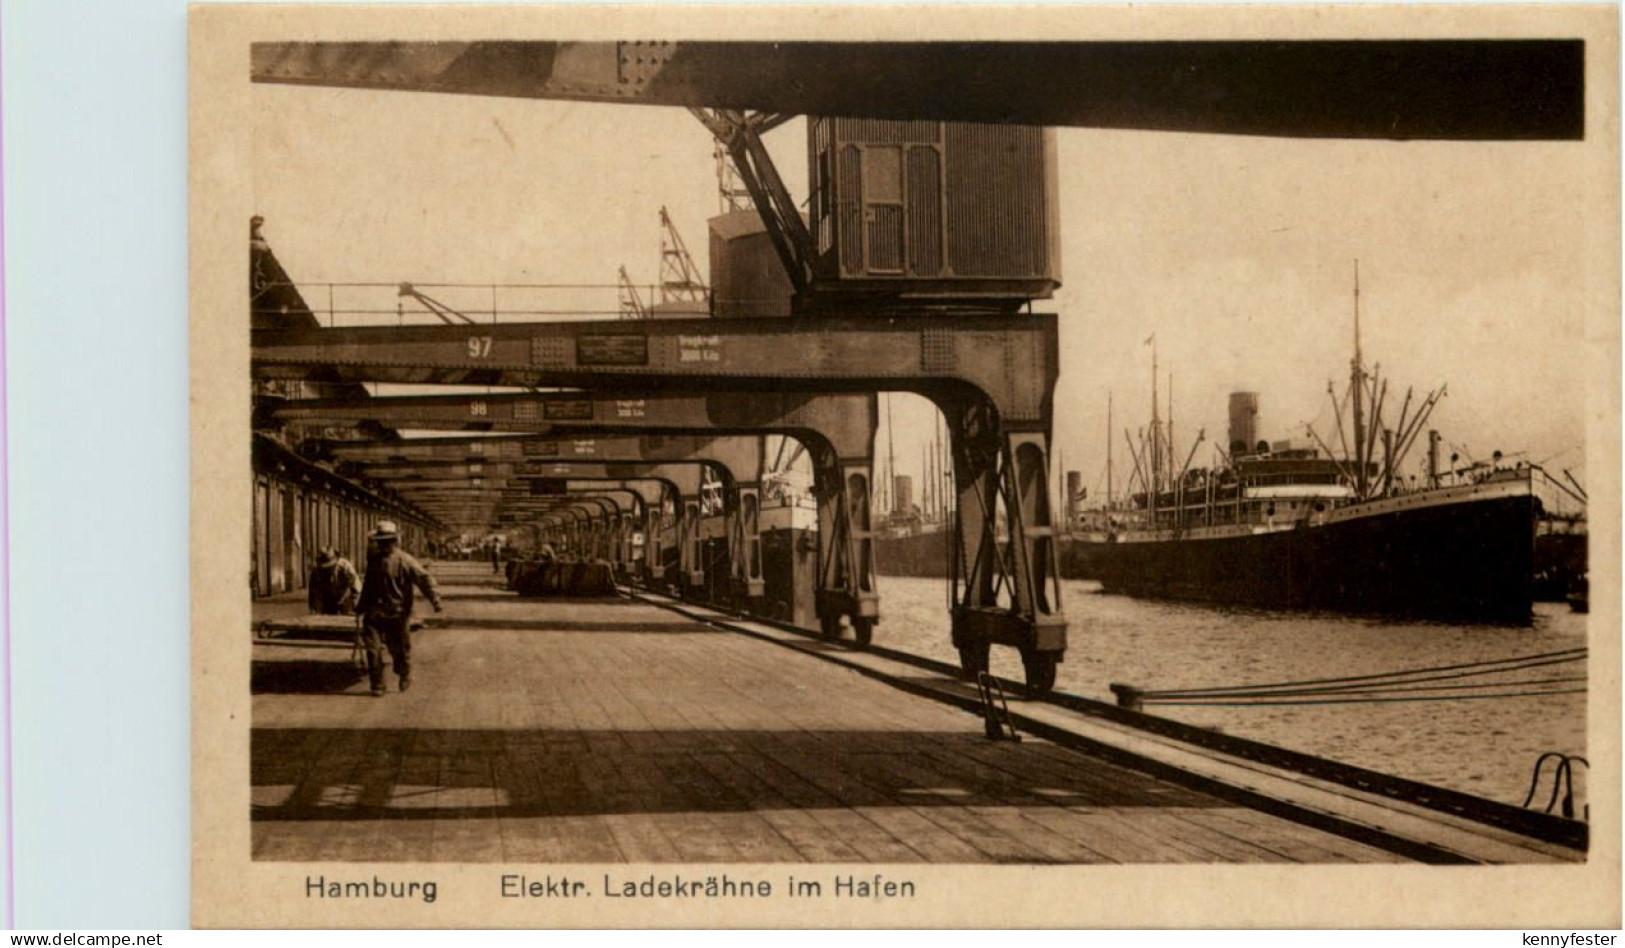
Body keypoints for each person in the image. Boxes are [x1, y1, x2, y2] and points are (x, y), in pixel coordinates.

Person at [355, 520, 443, 697]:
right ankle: (377, 684)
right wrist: (361, 606)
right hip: (374, 612)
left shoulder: (406, 561)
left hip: (398, 613)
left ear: (394, 541)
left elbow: (424, 579)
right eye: (380, 540)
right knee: (372, 650)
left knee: (400, 650)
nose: (382, 544)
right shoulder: (373, 560)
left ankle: (404, 672)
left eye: (386, 540)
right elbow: (368, 585)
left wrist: (435, 599)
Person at [307, 548, 359, 615]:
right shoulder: (316, 571)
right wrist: (314, 610)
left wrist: (353, 606)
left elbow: (356, 588)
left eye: (329, 567)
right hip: (327, 600)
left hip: (346, 599)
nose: (326, 570)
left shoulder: (346, 567)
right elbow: (313, 594)